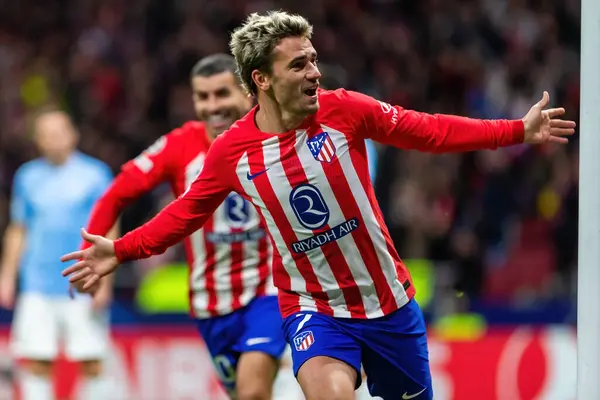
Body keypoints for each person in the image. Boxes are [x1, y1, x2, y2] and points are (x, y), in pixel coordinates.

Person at [61, 11, 576, 400]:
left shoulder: (345, 111)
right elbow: (185, 213)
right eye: (299, 64)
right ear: (261, 79)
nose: (314, 72)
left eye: (314, 59)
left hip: (387, 301)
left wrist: (515, 130)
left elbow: (430, 130)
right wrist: (120, 251)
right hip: (312, 306)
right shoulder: (231, 153)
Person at [79, 53, 290, 400]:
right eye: (202, 97)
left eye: (222, 94)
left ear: (246, 92)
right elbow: (116, 193)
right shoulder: (180, 145)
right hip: (210, 301)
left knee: (254, 391)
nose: (212, 106)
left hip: (269, 289)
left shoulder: (275, 134)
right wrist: (91, 256)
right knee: (242, 394)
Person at [0, 108, 116, 400]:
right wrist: (7, 276)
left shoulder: (96, 174)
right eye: (47, 133)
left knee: (91, 360)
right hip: (37, 283)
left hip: (83, 281)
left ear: (73, 134)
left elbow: (109, 227)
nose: (54, 138)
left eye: (60, 131)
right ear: (38, 140)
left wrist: (106, 279)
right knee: (37, 361)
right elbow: (18, 228)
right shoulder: (27, 177)